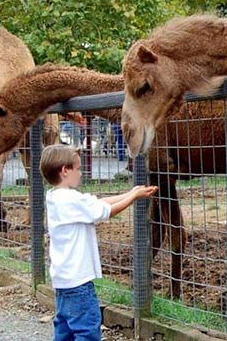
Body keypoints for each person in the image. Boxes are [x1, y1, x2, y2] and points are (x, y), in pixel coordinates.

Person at [39, 144, 157, 341]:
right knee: (88, 331)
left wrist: (130, 193)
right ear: (65, 171)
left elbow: (97, 202)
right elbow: (106, 211)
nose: (81, 173)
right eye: (77, 169)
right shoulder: (71, 200)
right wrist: (134, 197)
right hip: (79, 281)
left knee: (65, 330)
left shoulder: (54, 196)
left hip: (63, 281)